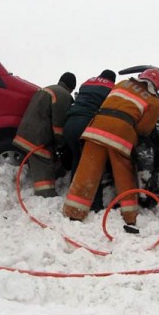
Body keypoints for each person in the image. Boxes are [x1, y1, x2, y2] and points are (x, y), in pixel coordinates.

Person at [62, 68, 159, 225]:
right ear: (157, 86)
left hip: (96, 127)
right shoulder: (154, 102)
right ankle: (130, 216)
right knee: (123, 175)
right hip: (120, 135)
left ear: (140, 78)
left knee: (87, 169)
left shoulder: (123, 84)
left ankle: (74, 211)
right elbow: (143, 130)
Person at [13, 72, 76, 197]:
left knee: (38, 163)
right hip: (37, 140)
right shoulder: (63, 95)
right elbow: (59, 125)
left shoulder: (47, 89)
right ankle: (46, 196)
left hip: (24, 134)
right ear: (72, 88)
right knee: (44, 168)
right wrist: (61, 145)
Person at [63, 69, 116, 211]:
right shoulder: (111, 87)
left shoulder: (87, 82)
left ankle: (73, 197)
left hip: (69, 125)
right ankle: (94, 204)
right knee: (92, 164)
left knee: (77, 160)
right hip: (86, 125)